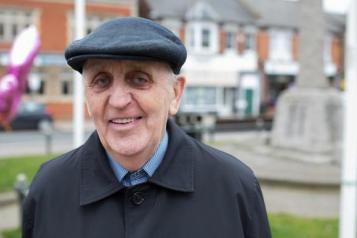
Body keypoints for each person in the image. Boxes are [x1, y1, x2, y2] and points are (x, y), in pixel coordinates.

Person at [22, 17, 271, 238]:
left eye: (139, 79)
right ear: (88, 99)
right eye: (101, 81)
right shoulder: (49, 189)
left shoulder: (234, 187)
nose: (119, 101)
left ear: (175, 94)